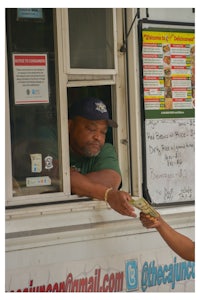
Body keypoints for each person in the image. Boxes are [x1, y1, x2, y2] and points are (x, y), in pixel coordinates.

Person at [68, 97, 136, 218]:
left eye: (103, 132)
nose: (98, 137)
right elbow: (61, 179)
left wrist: (74, 180)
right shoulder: (52, 146)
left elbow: (111, 180)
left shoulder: (105, 149)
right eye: (91, 129)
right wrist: (108, 195)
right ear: (69, 126)